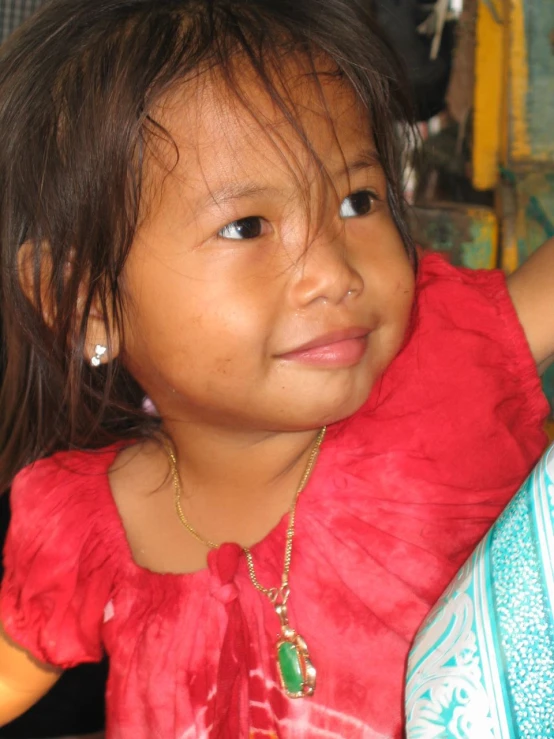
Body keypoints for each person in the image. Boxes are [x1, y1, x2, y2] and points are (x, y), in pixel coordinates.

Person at [0, 1, 552, 737]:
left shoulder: (446, 364)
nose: (331, 271)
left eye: (358, 201)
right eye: (247, 226)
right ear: (87, 301)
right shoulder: (84, 529)